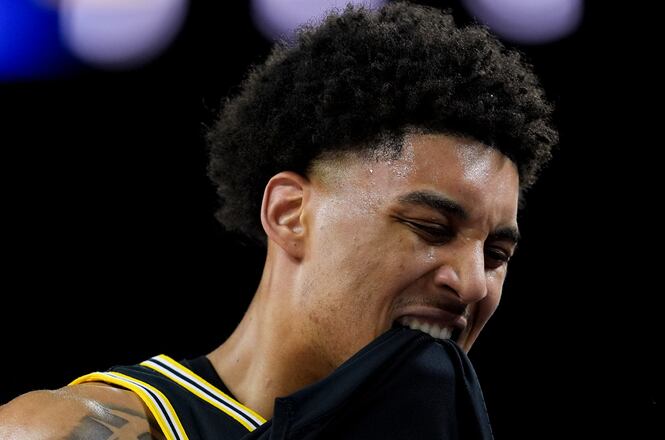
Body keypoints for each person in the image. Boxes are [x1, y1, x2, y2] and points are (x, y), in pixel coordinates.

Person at [0, 1, 557, 438]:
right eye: (431, 228)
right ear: (290, 214)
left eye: (496, 255)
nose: (472, 284)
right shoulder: (75, 430)